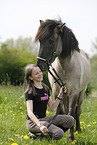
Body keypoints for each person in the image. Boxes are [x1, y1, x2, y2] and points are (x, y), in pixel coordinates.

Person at [23, 64, 74, 140]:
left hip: (44, 119)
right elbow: (30, 113)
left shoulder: (45, 89)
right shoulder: (30, 92)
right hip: (33, 123)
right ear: (30, 77)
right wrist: (40, 125)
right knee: (59, 133)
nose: (40, 74)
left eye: (40, 72)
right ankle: (35, 137)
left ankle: (41, 134)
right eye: (36, 73)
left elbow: (52, 108)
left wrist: (60, 95)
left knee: (70, 120)